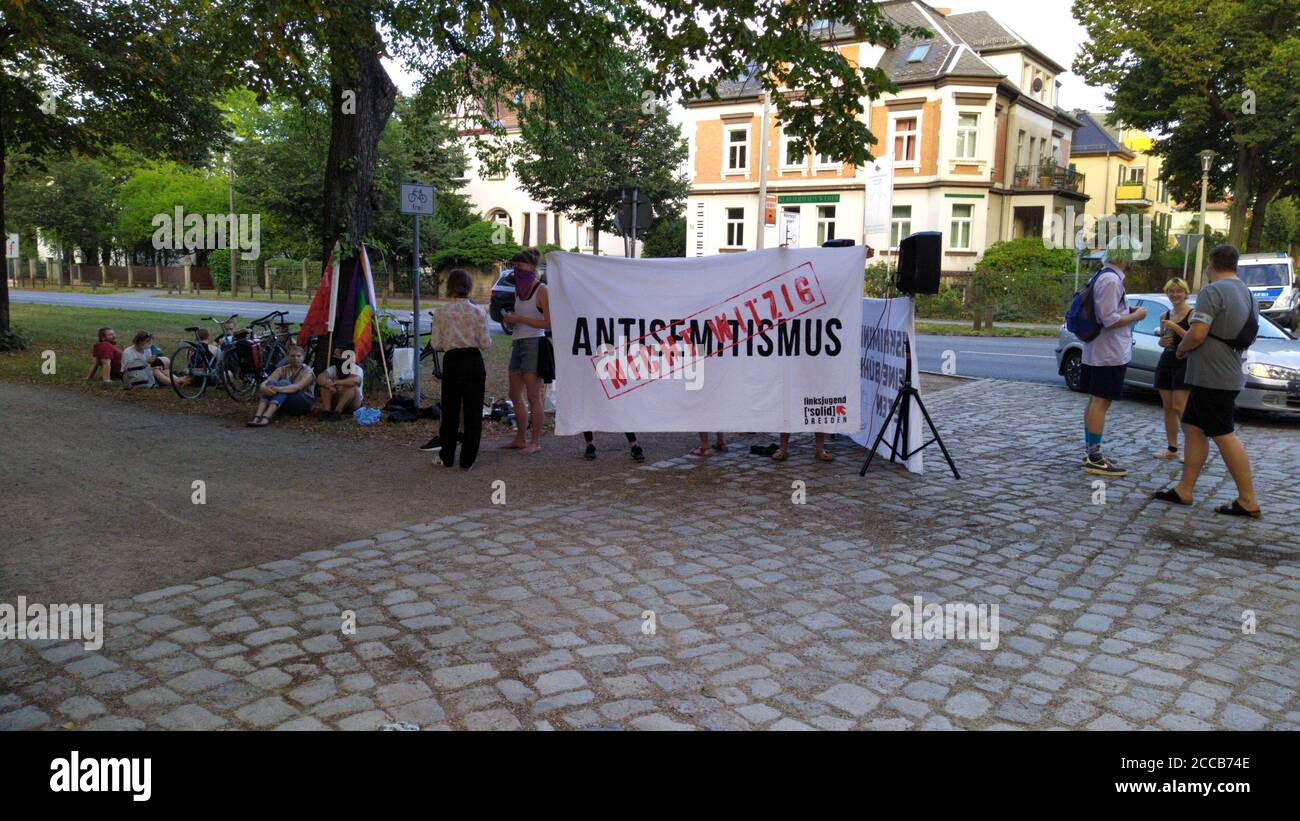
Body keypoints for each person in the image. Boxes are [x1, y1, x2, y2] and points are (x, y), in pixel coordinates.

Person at [1154, 245, 1262, 517]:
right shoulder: (1248, 293)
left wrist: (1181, 348)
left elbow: (1198, 332)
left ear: (1210, 265)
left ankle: (1248, 499)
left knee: (1224, 433)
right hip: (1224, 370)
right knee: (1192, 427)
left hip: (1213, 375)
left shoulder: (1213, 291)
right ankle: (1184, 489)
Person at [1079, 236, 1146, 476]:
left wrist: (1126, 311)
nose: (1133, 261)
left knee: (1097, 400)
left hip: (1101, 350)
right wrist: (1136, 315)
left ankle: (1091, 451)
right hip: (1108, 352)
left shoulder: (1105, 277)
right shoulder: (1110, 280)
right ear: (1123, 256)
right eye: (1131, 256)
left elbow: (1107, 312)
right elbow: (1109, 319)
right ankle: (1094, 456)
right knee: (1100, 401)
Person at [429, 268, 491, 468]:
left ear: (449, 287)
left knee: (450, 411)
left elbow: (436, 344)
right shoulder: (479, 312)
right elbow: (485, 343)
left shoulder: (440, 312)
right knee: (473, 413)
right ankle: (467, 460)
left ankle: (447, 456)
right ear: (469, 287)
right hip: (473, 361)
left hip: (452, 362)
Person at [501, 249, 549, 454]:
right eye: (514, 265)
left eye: (520, 265)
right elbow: (519, 319)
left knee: (533, 395)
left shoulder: (542, 290)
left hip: (534, 344)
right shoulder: (518, 290)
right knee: (514, 393)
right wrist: (511, 322)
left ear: (532, 267)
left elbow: (548, 323)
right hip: (518, 342)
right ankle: (520, 438)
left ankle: (535, 442)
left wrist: (519, 319)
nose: (516, 269)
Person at [1153, 277, 1193, 460]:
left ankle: (1192, 448)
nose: (1175, 295)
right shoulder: (1164, 316)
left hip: (1184, 362)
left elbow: (1193, 338)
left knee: (1180, 406)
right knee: (1168, 407)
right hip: (1167, 360)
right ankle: (1172, 448)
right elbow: (1164, 341)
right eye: (1171, 291)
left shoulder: (1192, 314)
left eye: (1179, 291)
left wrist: (1175, 327)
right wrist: (1161, 341)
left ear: (1186, 293)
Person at [247, 343, 314, 426]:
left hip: (303, 404)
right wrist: (264, 388)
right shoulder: (282, 369)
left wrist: (278, 389)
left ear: (303, 357)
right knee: (270, 383)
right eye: (292, 356)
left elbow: (298, 386)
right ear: (288, 357)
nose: (296, 358)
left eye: (299, 356)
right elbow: (266, 382)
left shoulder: (308, 371)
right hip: (284, 402)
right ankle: (258, 416)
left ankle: (266, 417)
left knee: (284, 383)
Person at [316, 344, 364, 420]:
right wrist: (329, 385)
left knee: (351, 387)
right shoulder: (334, 368)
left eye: (336, 355)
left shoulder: (357, 369)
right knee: (324, 386)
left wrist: (336, 382)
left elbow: (355, 381)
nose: (334, 357)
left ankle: (337, 412)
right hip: (336, 398)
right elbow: (320, 378)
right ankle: (326, 411)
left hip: (353, 404)